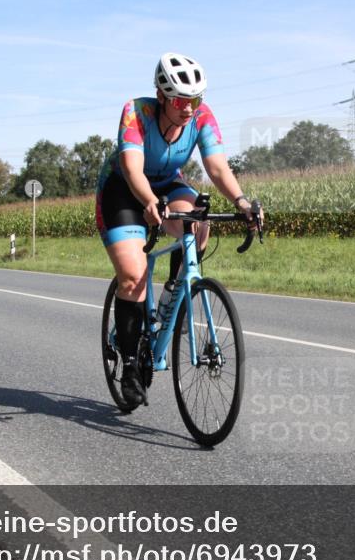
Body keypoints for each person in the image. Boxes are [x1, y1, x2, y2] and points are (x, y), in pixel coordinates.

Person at [96, 52, 262, 410]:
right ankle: (129, 366)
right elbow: (132, 168)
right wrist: (148, 202)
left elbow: (217, 168)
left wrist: (243, 202)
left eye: (195, 100)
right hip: (124, 188)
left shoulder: (202, 116)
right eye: (179, 100)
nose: (188, 109)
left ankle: (176, 294)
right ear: (161, 96)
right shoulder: (136, 113)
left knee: (198, 219)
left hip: (168, 183)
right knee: (133, 276)